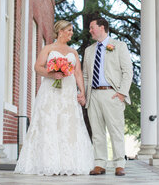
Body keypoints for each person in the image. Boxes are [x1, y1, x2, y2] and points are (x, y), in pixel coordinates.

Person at [14, 20, 93, 176]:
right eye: (69, 30)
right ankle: (48, 163)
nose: (71, 33)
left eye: (71, 30)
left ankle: (68, 164)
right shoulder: (48, 48)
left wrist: (82, 92)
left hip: (68, 90)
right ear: (60, 31)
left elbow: (77, 72)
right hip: (50, 90)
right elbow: (38, 67)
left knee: (68, 123)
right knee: (49, 121)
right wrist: (52, 74)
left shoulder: (73, 52)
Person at [83, 17, 133, 176]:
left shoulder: (119, 46)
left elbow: (127, 71)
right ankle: (99, 164)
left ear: (102, 27)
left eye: (92, 27)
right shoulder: (89, 50)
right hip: (93, 95)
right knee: (97, 132)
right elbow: (85, 75)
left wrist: (121, 93)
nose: (90, 30)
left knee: (115, 131)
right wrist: (85, 95)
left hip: (112, 94)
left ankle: (119, 164)